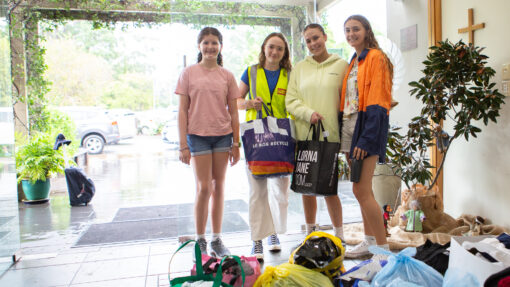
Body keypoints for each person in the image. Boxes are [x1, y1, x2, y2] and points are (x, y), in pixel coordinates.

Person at [175, 27, 241, 258]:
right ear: (199, 46)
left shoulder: (227, 76)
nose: (210, 47)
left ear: (220, 46)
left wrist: (236, 143)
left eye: (214, 43)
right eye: (206, 42)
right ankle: (201, 239)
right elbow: (182, 111)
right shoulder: (188, 73)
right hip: (197, 136)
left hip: (223, 136)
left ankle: (217, 238)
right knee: (204, 188)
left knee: (219, 187)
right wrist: (182, 144)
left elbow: (234, 112)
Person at [286, 23, 348, 242]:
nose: (313, 44)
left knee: (330, 188)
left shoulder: (342, 65)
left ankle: (339, 236)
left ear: (325, 36)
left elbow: (349, 100)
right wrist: (308, 113)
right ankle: (310, 233)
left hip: (331, 136)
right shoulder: (300, 68)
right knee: (306, 186)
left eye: (315, 38)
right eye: (308, 41)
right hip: (305, 136)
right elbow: (290, 101)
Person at [340, 15, 393, 258]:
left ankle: (382, 250)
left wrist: (366, 139)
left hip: (366, 128)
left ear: (366, 30)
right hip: (350, 125)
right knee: (360, 189)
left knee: (362, 191)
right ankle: (370, 242)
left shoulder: (376, 57)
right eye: (348, 30)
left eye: (356, 29)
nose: (351, 34)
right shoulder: (354, 60)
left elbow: (378, 102)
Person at [237, 32, 292, 261]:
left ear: (284, 52)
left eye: (279, 48)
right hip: (257, 137)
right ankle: (257, 240)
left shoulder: (289, 75)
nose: (274, 52)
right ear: (264, 48)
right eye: (271, 47)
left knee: (281, 191)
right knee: (257, 191)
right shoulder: (250, 72)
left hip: (282, 138)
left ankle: (274, 234)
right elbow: (235, 101)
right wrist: (249, 102)